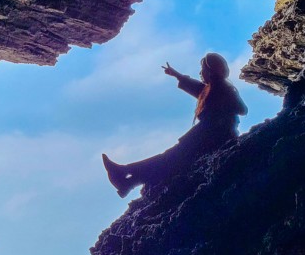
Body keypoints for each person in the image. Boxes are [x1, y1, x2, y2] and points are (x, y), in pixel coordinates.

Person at [101, 53, 247, 197]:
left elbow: (242, 109)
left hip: (213, 139)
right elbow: (198, 88)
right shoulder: (212, 90)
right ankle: (128, 181)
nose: (200, 73)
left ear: (211, 71)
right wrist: (176, 74)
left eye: (202, 69)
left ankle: (126, 176)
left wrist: (221, 111)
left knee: (169, 160)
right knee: (169, 160)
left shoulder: (222, 89)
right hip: (205, 136)